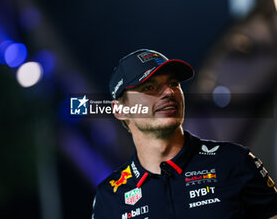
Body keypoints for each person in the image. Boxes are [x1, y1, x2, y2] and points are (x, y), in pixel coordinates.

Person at [92, 49, 277, 219]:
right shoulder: (109, 197)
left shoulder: (234, 161)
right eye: (149, 87)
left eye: (173, 83)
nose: (168, 92)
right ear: (120, 110)